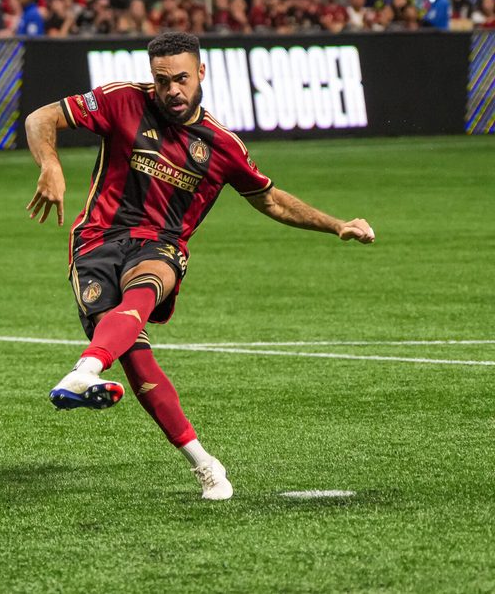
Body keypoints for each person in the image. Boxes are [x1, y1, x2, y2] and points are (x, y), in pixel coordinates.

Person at [23, 32, 375, 501]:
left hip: (162, 245)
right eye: (162, 79)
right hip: (96, 242)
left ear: (201, 73)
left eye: (182, 78)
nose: (172, 89)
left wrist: (336, 225)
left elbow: (270, 200)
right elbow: (40, 117)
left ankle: (84, 370)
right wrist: (50, 164)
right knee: (133, 355)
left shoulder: (222, 146)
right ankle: (205, 463)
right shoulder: (121, 101)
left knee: (146, 285)